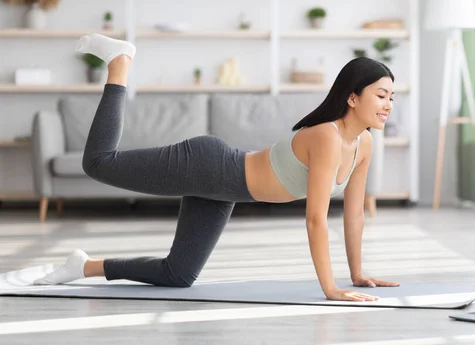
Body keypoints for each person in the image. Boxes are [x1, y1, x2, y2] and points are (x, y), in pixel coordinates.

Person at [33, 34, 399, 302]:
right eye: (381, 95)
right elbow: (316, 219)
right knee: (98, 163)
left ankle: (83, 266)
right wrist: (330, 289)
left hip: (224, 189)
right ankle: (119, 63)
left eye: (391, 98)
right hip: (209, 166)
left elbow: (354, 216)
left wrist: (357, 274)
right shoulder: (326, 137)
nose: (388, 105)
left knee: (178, 275)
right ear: (353, 97)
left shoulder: (364, 143)